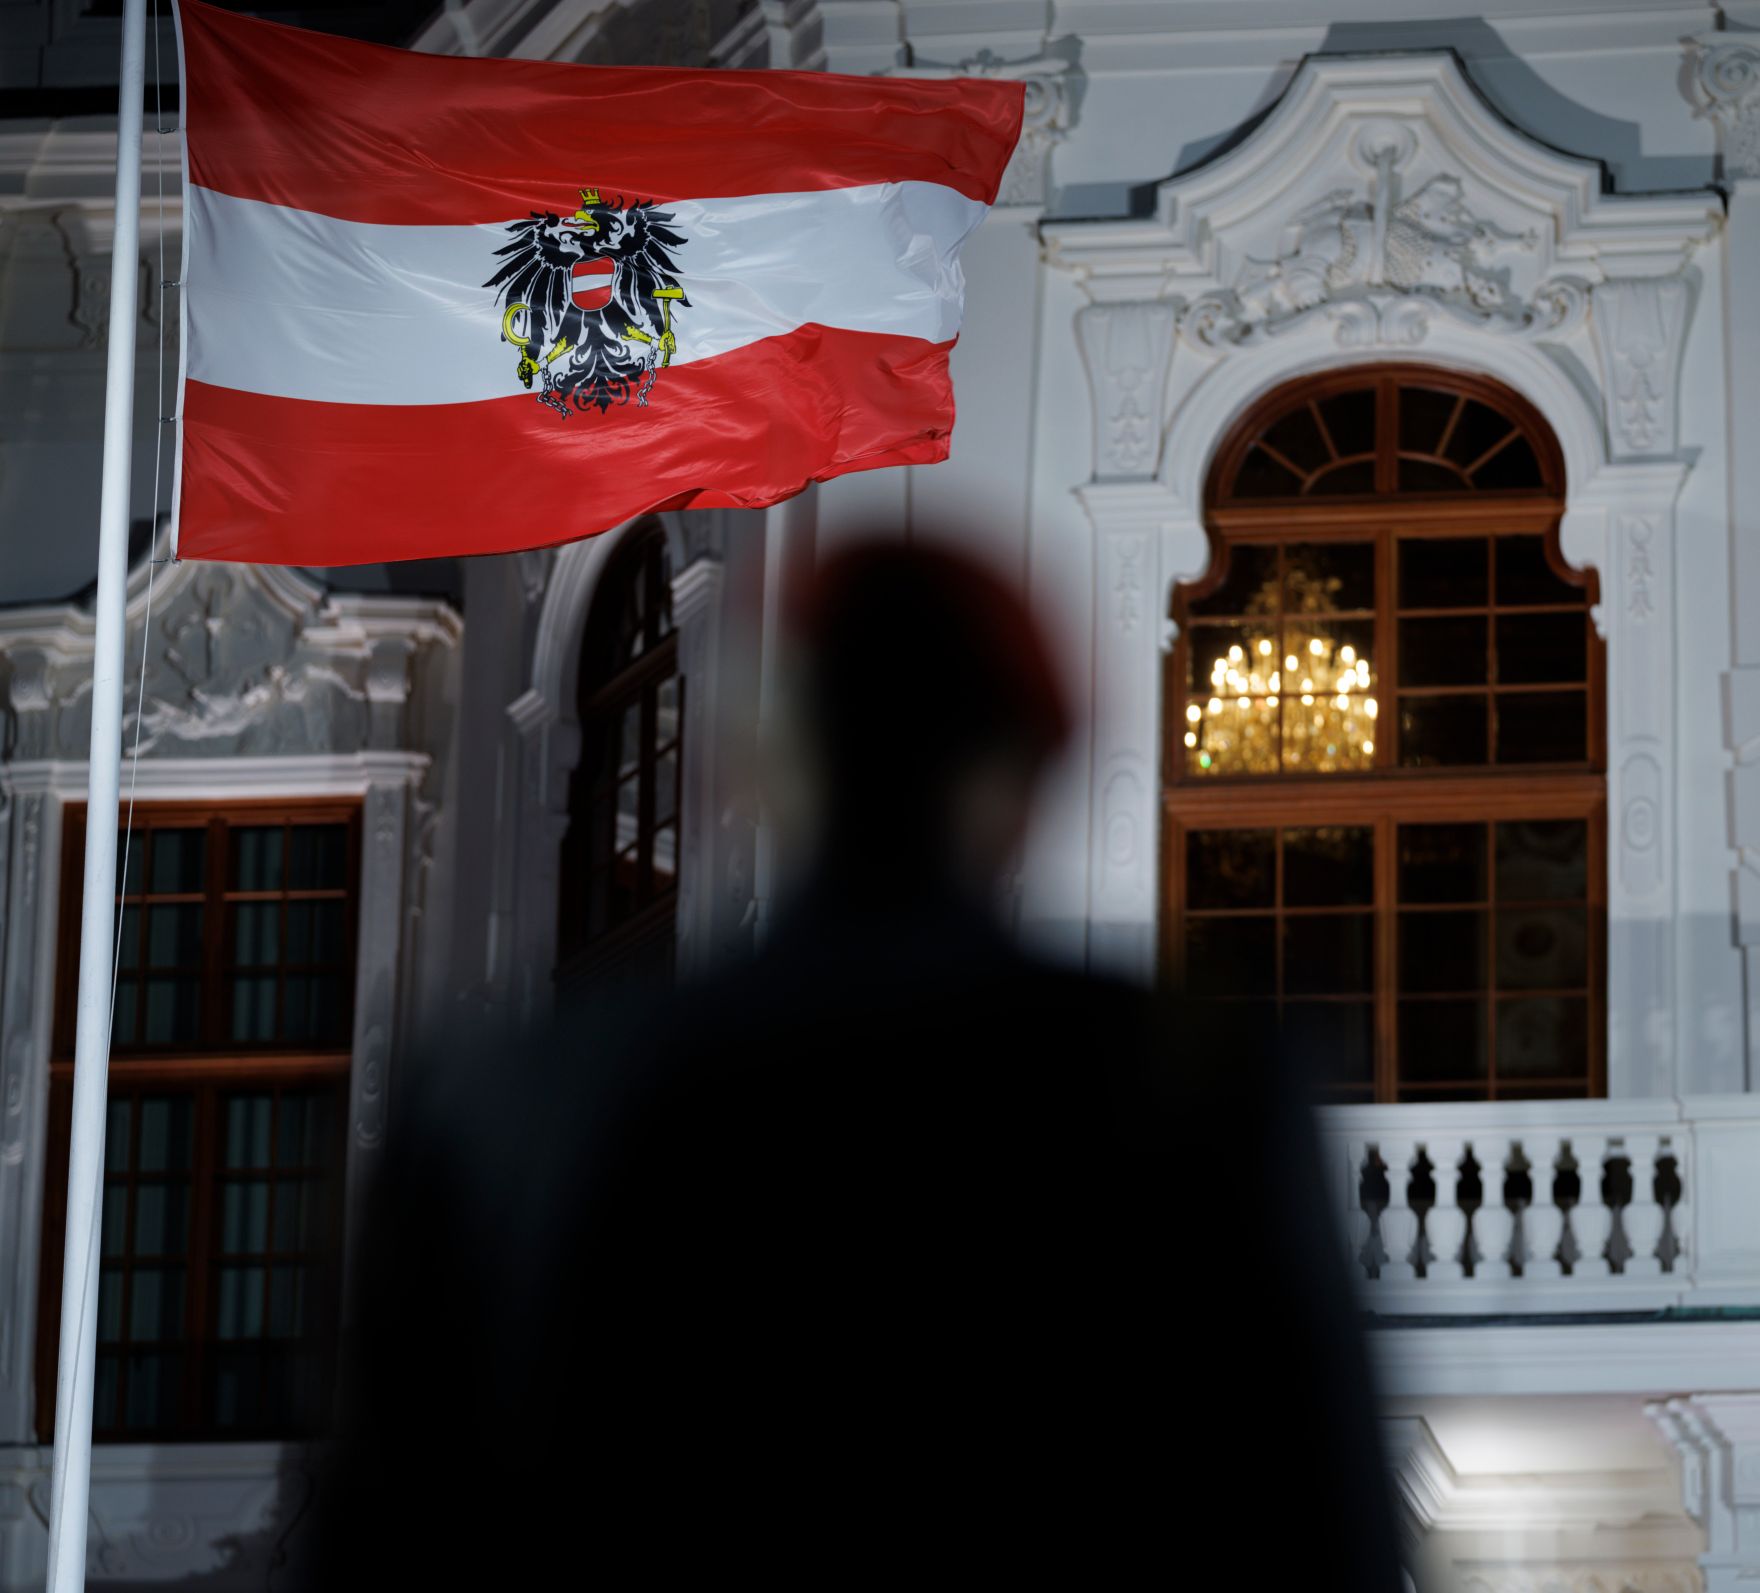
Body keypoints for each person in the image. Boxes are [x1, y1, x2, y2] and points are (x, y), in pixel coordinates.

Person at [310, 539, 1405, 1589]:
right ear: (1031, 775)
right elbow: (1321, 1538)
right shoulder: (1197, 1095)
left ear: (753, 766)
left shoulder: (500, 1111)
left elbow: (386, 1545)